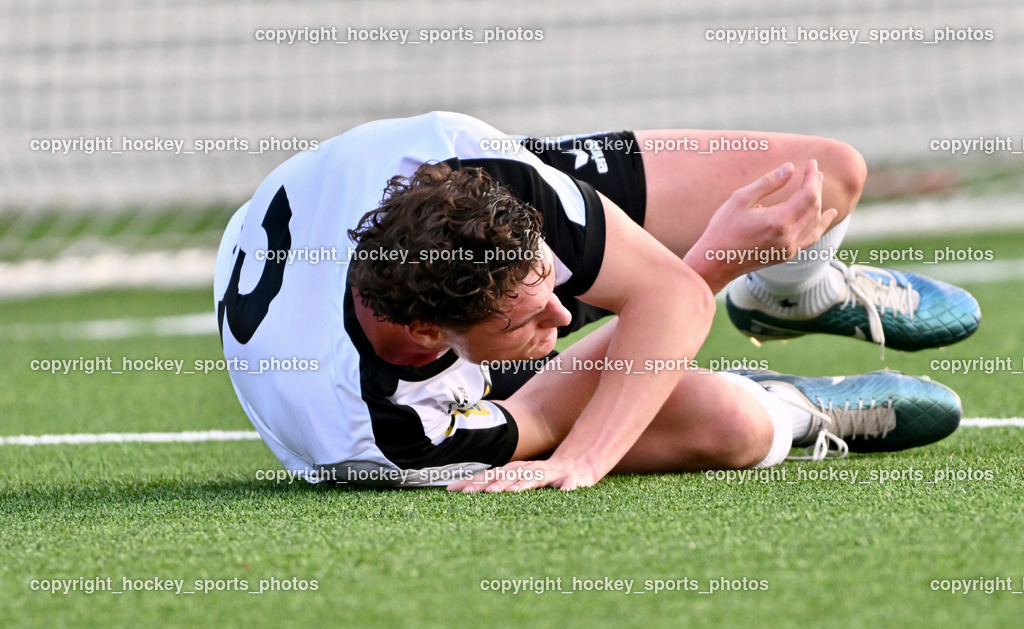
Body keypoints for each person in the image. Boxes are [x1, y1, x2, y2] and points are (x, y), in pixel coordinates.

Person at [214, 112, 978, 492]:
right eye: (533, 317)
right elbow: (543, 414)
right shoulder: (376, 429)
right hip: (383, 381)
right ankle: (802, 409)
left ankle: (790, 295)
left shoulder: (473, 177)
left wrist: (701, 272)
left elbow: (665, 296)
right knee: (732, 425)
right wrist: (582, 459)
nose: (566, 315)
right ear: (428, 331)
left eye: (553, 281)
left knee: (824, 172)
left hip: (422, 220)